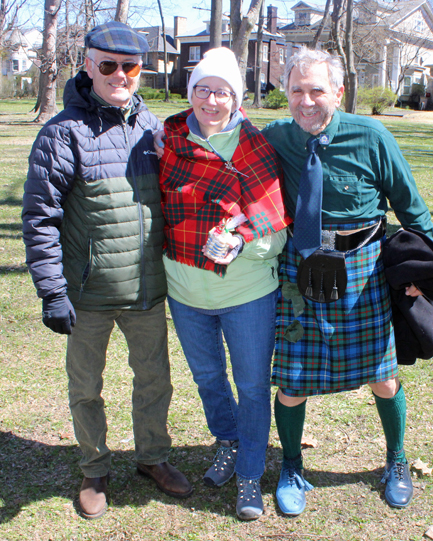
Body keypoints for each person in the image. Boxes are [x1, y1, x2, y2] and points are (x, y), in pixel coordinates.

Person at [22, 21, 192, 521]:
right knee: (86, 386)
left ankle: (153, 457)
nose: (120, 75)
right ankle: (94, 467)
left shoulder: (156, 130)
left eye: (130, 66)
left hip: (146, 289)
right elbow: (40, 217)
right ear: (88, 65)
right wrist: (52, 290)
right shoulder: (61, 134)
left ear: (141, 70)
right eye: (108, 65)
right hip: (87, 292)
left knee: (154, 380)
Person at [261, 47, 433, 516]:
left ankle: (395, 459)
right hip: (300, 269)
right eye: (296, 90)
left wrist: (420, 274)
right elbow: (217, 134)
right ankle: (292, 466)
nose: (306, 100)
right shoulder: (274, 136)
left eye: (317, 90)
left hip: (362, 269)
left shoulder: (372, 135)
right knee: (292, 382)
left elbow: (411, 208)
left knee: (383, 378)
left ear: (338, 93)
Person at [158, 47, 291, 520]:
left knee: (252, 387)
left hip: (248, 294)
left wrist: (241, 245)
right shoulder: (167, 142)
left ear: (236, 98)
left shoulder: (257, 147)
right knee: (208, 378)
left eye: (223, 91)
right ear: (190, 92)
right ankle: (228, 442)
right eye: (203, 89)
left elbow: (276, 225)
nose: (212, 100)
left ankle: (252, 472)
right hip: (186, 291)